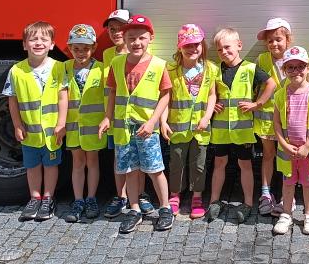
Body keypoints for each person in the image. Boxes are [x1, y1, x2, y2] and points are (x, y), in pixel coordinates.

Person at [97, 14, 175, 234]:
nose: (136, 42)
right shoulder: (116, 63)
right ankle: (134, 210)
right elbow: (113, 92)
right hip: (123, 129)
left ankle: (165, 208)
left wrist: (153, 122)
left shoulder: (158, 65)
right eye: (131, 38)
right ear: (125, 39)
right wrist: (107, 117)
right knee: (130, 170)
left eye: (141, 38)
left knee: (155, 170)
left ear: (151, 38)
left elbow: (165, 95)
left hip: (146, 130)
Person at [207, 27, 273, 223]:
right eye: (220, 49)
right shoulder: (215, 70)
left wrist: (258, 104)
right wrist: (213, 104)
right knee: (219, 163)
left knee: (245, 164)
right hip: (220, 130)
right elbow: (210, 93)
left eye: (227, 47)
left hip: (242, 130)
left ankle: (247, 203)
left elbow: (271, 84)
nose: (224, 52)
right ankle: (214, 201)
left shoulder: (250, 68)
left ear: (239, 46)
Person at [4, 21, 67, 222]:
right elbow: (12, 100)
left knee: (50, 165)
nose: (38, 43)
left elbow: (63, 97)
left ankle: (48, 198)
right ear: (24, 45)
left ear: (52, 44)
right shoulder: (16, 71)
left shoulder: (58, 67)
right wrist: (17, 125)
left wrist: (61, 124)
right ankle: (34, 198)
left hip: (52, 133)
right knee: (32, 166)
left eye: (43, 39)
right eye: (33, 39)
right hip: (30, 132)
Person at [161, 24, 218, 221]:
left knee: (199, 163)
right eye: (187, 45)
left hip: (201, 128)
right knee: (176, 162)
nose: (192, 49)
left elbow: (212, 95)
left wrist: (207, 117)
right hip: (177, 128)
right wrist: (163, 121)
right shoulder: (171, 69)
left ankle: (197, 196)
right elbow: (166, 98)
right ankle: (175, 194)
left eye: (196, 45)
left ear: (202, 46)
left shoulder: (210, 69)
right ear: (179, 47)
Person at [271, 46, 309, 236]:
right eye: (291, 67)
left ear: (308, 68)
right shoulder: (280, 95)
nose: (296, 71)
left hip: (307, 151)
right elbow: (276, 124)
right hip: (287, 150)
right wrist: (284, 144)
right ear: (284, 70)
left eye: (300, 67)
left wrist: (307, 146)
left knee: (308, 182)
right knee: (288, 182)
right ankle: (286, 213)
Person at [58, 24, 107, 223]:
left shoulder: (101, 69)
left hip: (93, 127)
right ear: (69, 48)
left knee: (92, 162)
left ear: (93, 48)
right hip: (73, 127)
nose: (80, 53)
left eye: (85, 48)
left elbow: (107, 97)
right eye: (76, 48)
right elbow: (61, 96)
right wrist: (61, 123)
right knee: (77, 163)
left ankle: (91, 198)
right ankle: (78, 200)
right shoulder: (64, 68)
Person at [255, 17, 291, 216]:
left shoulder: (295, 59)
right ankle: (266, 193)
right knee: (268, 155)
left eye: (278, 39)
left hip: (289, 118)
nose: (274, 44)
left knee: (287, 156)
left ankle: (288, 194)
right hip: (267, 119)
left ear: (288, 40)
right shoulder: (262, 60)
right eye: (270, 40)